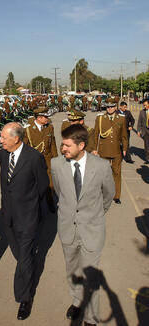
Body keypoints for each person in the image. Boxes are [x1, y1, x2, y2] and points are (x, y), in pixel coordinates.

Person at [51, 124, 115, 326]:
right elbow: (60, 192)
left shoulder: (102, 166)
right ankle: (77, 300)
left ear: (81, 145)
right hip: (68, 229)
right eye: (62, 145)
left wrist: (95, 215)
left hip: (92, 230)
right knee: (72, 270)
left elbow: (108, 195)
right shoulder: (56, 164)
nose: (63, 149)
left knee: (91, 277)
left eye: (67, 145)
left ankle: (91, 317)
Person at [0, 122, 49, 320]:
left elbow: (43, 186)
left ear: (16, 139)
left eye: (3, 138)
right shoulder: (3, 155)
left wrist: (34, 209)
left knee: (25, 257)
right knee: (20, 255)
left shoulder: (34, 157)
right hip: (8, 215)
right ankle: (29, 268)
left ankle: (24, 298)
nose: (0, 141)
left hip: (28, 216)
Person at [23, 105, 58, 212]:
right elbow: (24, 149)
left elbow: (52, 144)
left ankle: (50, 202)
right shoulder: (28, 130)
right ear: (38, 118)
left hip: (47, 160)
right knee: (35, 186)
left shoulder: (49, 127)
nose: (47, 119)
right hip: (34, 162)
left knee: (50, 184)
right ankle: (36, 206)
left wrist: (56, 159)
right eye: (45, 117)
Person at [92, 100, 128, 204]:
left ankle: (116, 196)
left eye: (112, 107)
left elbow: (124, 135)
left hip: (117, 151)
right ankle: (103, 195)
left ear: (116, 107)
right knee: (104, 174)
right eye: (107, 107)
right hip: (104, 151)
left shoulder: (121, 118)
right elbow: (95, 135)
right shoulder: (100, 119)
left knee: (117, 173)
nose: (110, 109)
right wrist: (94, 149)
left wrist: (125, 148)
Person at [137, 97, 149, 164]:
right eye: (144, 105)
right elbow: (139, 122)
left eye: (146, 105)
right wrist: (138, 130)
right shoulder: (142, 112)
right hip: (145, 130)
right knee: (146, 145)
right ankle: (147, 158)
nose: (145, 106)